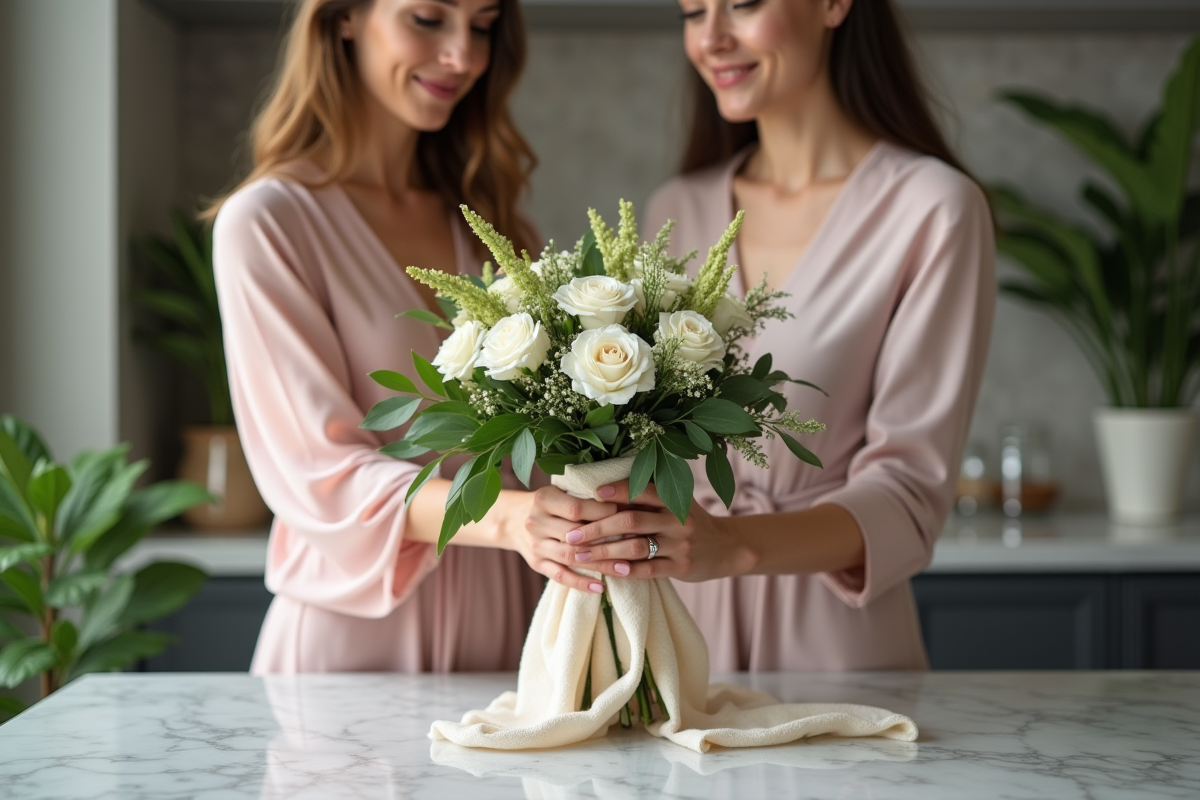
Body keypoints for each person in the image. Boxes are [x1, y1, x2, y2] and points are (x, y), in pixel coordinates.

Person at [522, 0, 996, 670]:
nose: (712, 37)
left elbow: (909, 492)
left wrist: (735, 545)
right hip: (674, 629)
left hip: (833, 639)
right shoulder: (675, 210)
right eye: (692, 11)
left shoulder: (934, 210)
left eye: (742, 4)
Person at [209, 0, 609, 674]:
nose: (463, 55)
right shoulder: (269, 223)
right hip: (354, 635)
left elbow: (543, 443)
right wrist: (512, 520)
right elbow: (320, 476)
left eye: (482, 26)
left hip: (508, 627)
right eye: (428, 18)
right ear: (343, 18)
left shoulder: (500, 227)